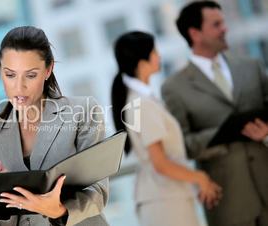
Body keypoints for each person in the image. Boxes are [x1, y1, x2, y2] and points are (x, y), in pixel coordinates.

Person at [0, 26, 109, 226]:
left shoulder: (82, 111)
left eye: (30, 75)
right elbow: (0, 220)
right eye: (10, 75)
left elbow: (98, 192)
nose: (19, 87)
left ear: (48, 70)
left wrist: (58, 210)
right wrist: (1, 196)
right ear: (0, 71)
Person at [161, 1, 268, 226]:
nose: (225, 29)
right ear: (195, 33)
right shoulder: (174, 87)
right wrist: (222, 132)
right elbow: (182, 145)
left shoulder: (252, 66)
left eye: (224, 23)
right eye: (216, 24)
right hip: (229, 200)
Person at [111, 31, 221, 226]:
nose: (159, 56)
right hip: (165, 201)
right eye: (154, 51)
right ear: (142, 61)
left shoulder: (141, 99)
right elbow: (160, 163)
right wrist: (200, 178)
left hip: (164, 198)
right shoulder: (142, 103)